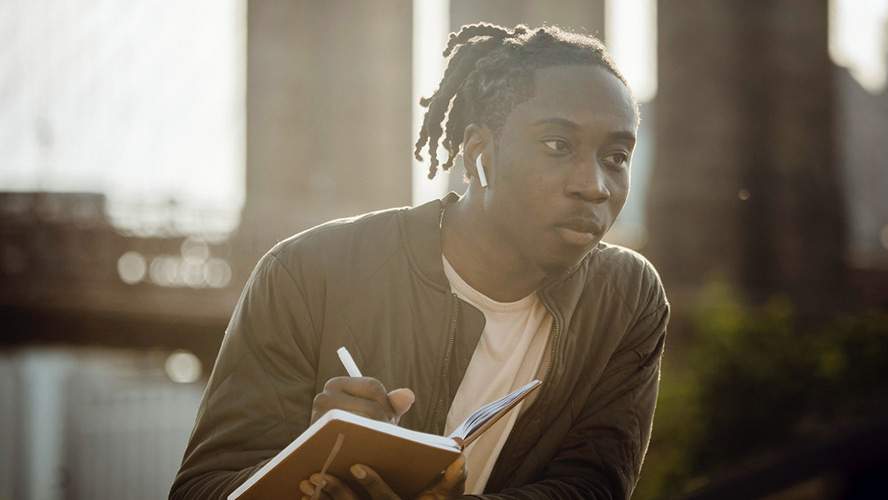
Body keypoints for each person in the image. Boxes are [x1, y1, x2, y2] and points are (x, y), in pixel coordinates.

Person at [171, 23, 668, 500]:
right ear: (479, 155)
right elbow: (203, 489)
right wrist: (311, 462)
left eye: (616, 157)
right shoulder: (306, 273)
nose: (595, 185)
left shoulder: (626, 297)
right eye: (558, 146)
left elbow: (593, 486)